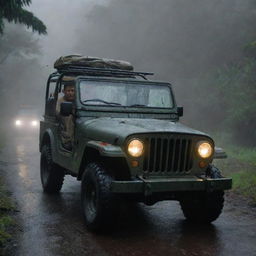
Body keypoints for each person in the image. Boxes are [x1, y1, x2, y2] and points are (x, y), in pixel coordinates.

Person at [56, 77, 75, 151]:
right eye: (68, 91)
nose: (70, 93)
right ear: (64, 91)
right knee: (69, 116)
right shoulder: (61, 101)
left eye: (72, 91)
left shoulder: (78, 100)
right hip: (65, 132)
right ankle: (68, 141)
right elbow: (57, 112)